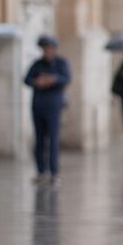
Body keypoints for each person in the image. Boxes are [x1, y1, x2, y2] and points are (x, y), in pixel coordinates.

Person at [24, 35, 71, 185]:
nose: (47, 52)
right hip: (38, 105)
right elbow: (27, 79)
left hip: (53, 106)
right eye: (45, 49)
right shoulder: (37, 64)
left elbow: (66, 78)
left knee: (53, 139)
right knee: (39, 140)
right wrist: (37, 82)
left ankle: (54, 172)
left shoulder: (61, 63)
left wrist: (53, 79)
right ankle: (40, 171)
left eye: (49, 49)